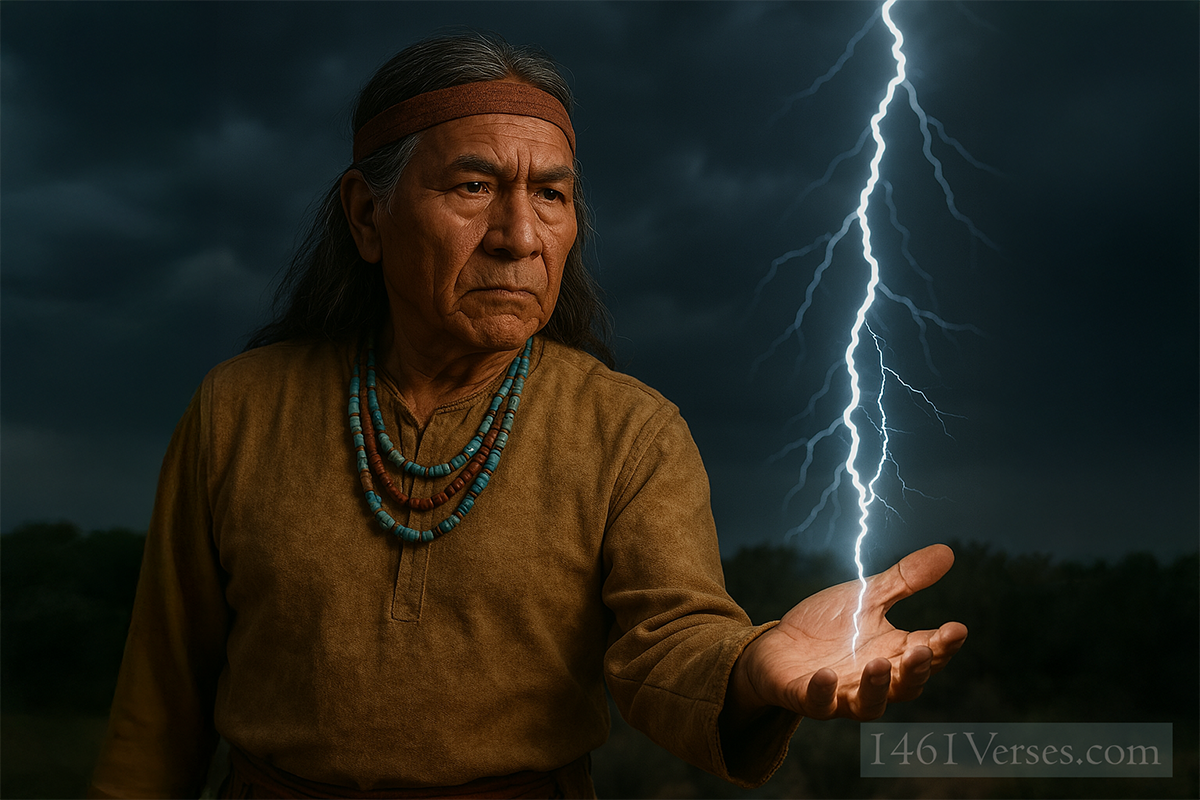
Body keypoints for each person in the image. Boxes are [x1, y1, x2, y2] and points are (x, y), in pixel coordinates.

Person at [88, 32, 967, 800]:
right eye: (474, 185)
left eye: (551, 194)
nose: (519, 235)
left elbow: (669, 640)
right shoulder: (238, 410)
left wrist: (752, 664)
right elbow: (158, 709)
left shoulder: (629, 432)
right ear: (367, 215)